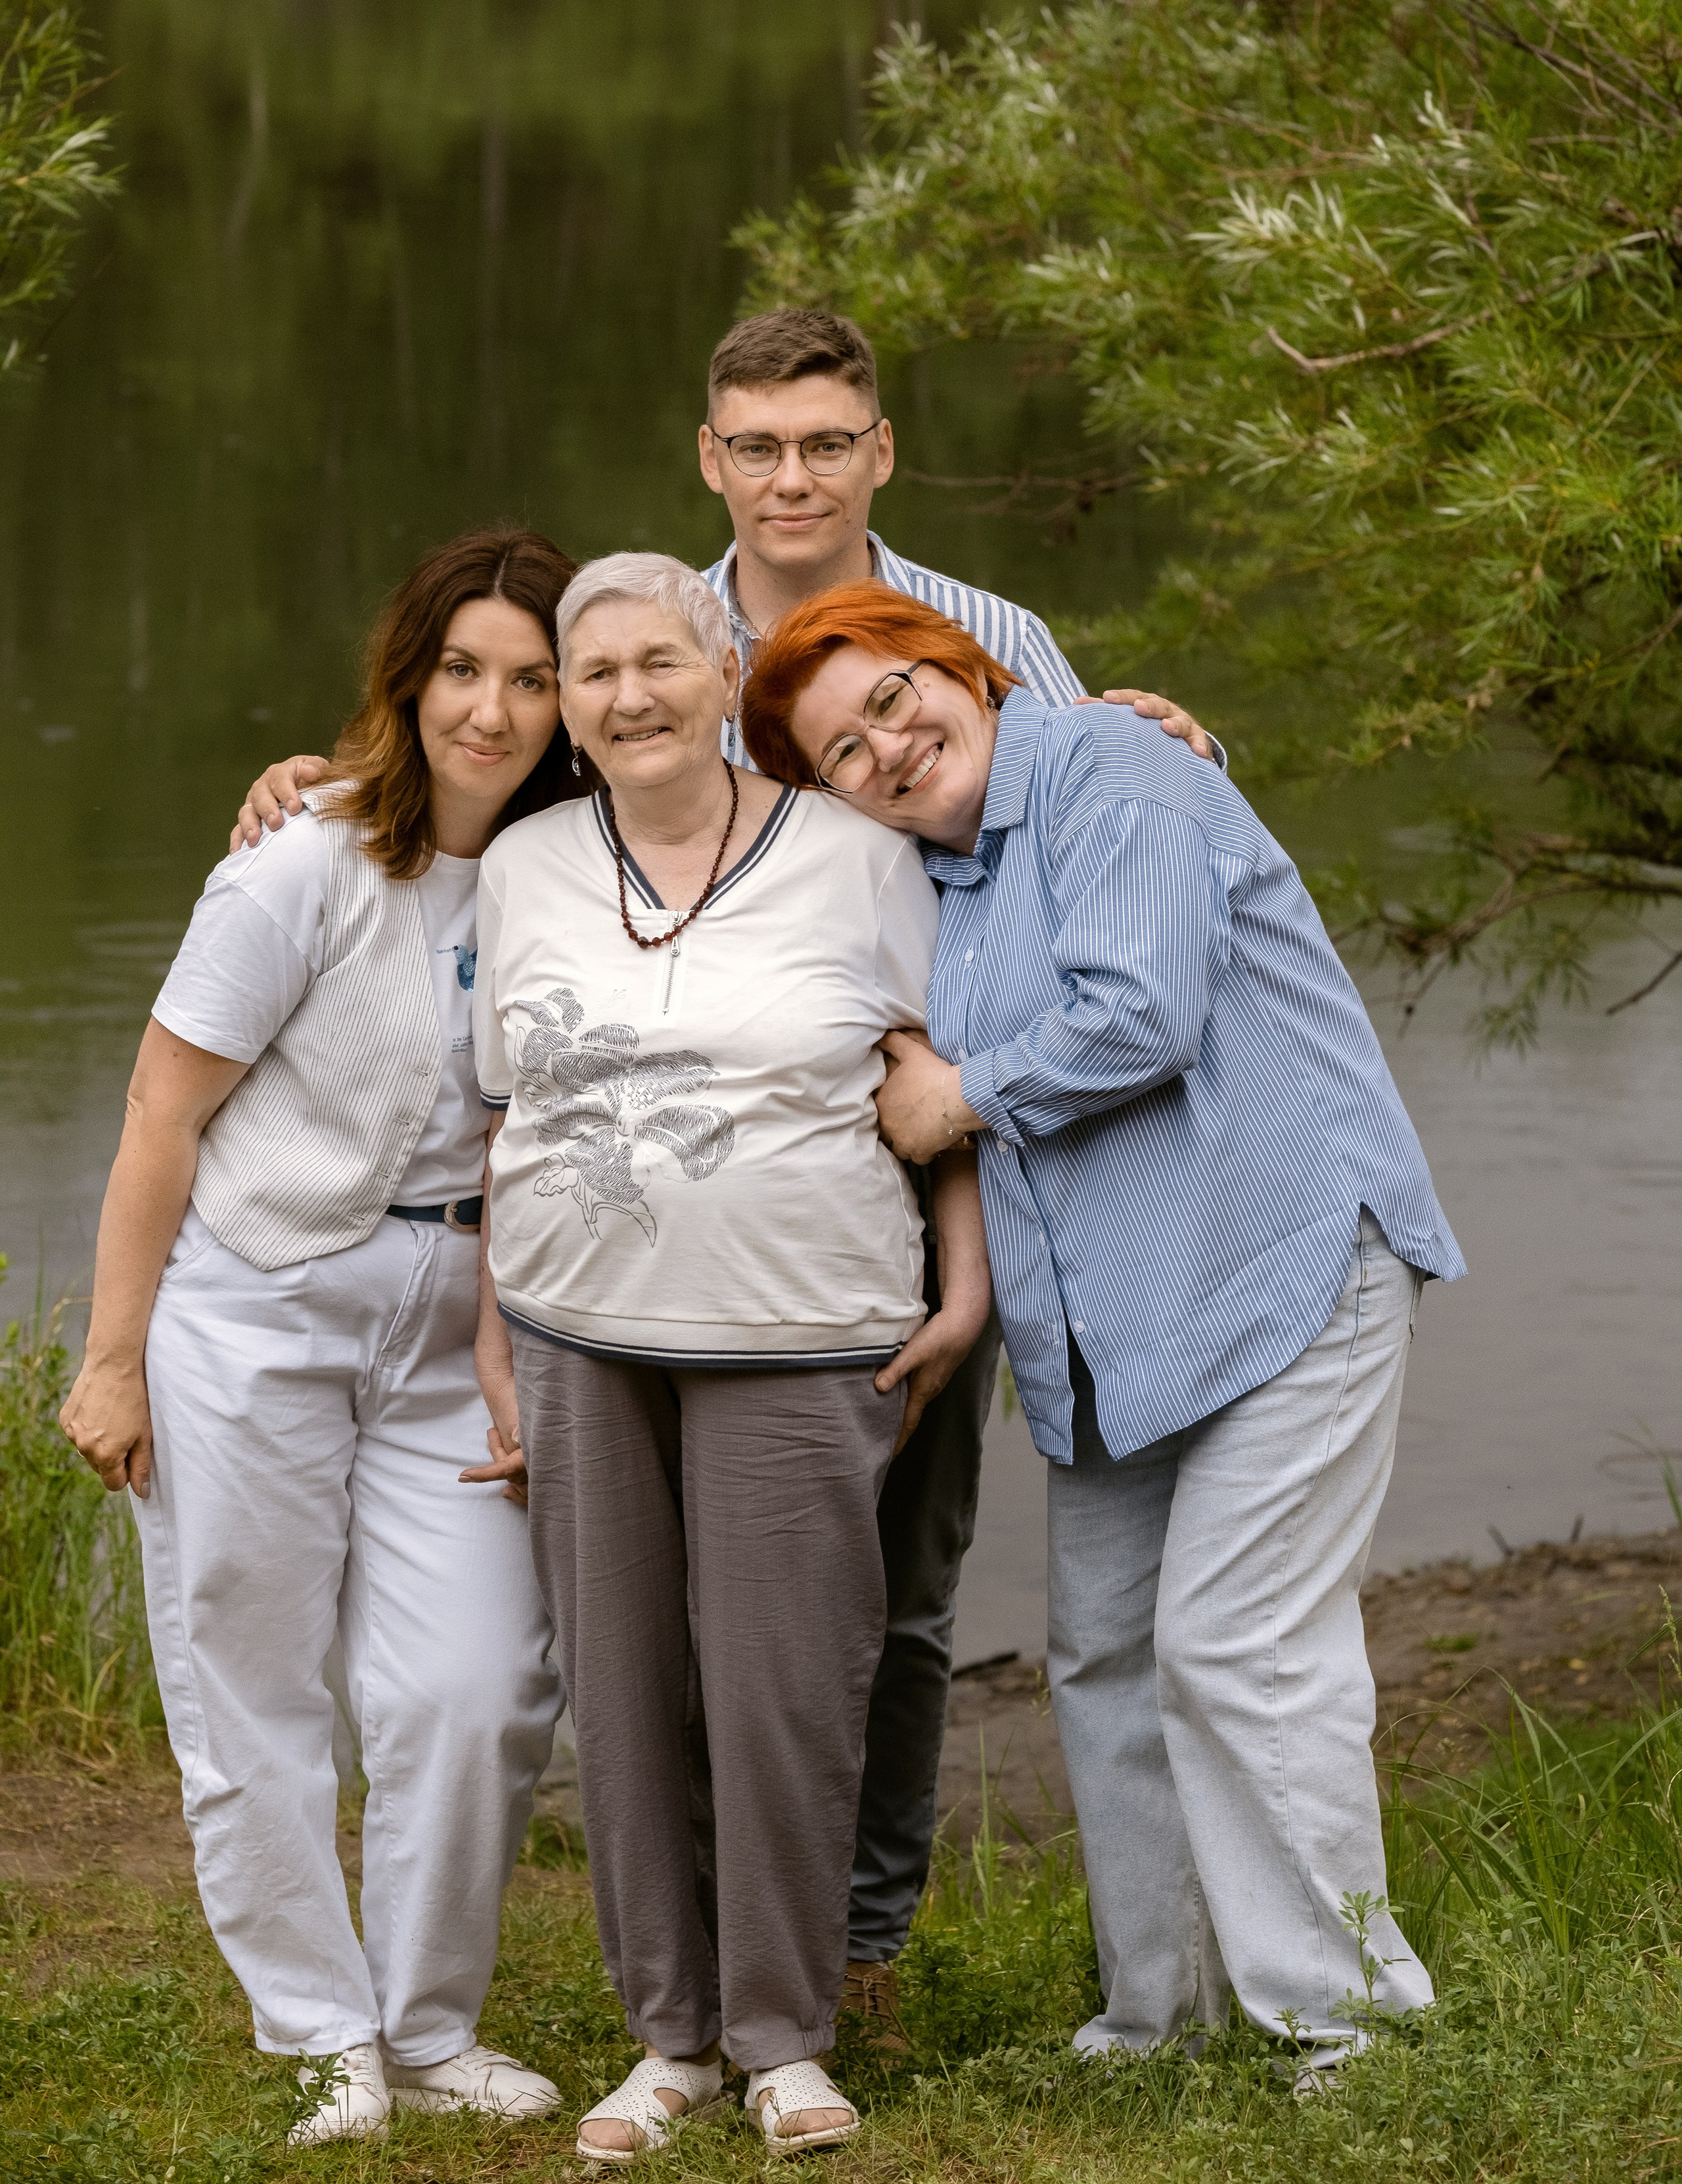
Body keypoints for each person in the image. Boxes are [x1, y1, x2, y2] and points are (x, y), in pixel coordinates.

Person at [231, 307, 1221, 2041]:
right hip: (649, 1225)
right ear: (710, 457)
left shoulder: (994, 639)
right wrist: (328, 783)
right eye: (757, 446)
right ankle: (702, 1953)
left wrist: (1146, 728)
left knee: (898, 1588)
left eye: (826, 442)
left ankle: (859, 1940)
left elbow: (1074, 822)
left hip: (919, 1175)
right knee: (682, 1600)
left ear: (880, 451)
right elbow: (490, 785)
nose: (791, 477)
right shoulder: (656, 636)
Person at [739, 580, 1466, 2087]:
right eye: (838, 753)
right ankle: (1162, 2019)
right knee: (1109, 1663)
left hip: (1282, 1268)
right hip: (1118, 1337)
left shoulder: (1101, 766)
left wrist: (956, 1092)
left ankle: (1355, 2033)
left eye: (893, 697)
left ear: (962, 667)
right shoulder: (924, 883)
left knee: (1240, 1648)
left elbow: (1140, 1010)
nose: (885, 747)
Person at [58, 531, 578, 2147]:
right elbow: (162, 1105)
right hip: (257, 1306)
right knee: (251, 1679)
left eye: (532, 677)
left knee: (476, 1682)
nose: (490, 711)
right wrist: (115, 1354)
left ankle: (426, 2028)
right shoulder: (304, 859)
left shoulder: (583, 869)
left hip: (463, 1331)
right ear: (408, 679)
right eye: (462, 671)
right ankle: (317, 2036)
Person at [470, 553, 991, 2158]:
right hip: (576, 1330)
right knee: (622, 1688)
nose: (629, 697)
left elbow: (928, 1080)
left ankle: (783, 2038)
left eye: (660, 662)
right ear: (567, 703)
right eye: (594, 672)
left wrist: (961, 1293)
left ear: (719, 670)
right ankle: (668, 2041)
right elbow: (511, 1115)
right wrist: (496, 1342)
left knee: (783, 1687)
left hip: (804, 1325)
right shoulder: (529, 863)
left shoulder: (854, 855)